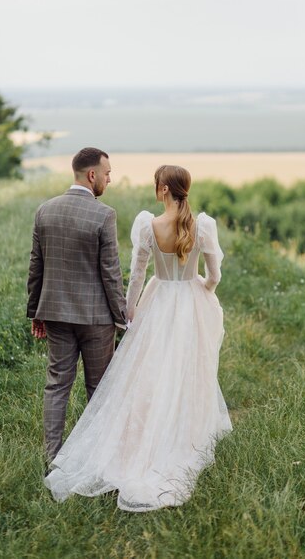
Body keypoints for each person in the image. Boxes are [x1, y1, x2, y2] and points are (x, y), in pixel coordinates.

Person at [44, 164, 232, 511]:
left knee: (146, 373)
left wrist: (129, 313)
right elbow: (215, 275)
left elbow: (136, 275)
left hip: (157, 301)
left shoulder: (148, 225)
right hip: (189, 301)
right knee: (187, 370)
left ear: (162, 190)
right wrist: (203, 290)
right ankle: (181, 433)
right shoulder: (202, 226)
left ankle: (140, 439)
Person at [27, 147, 127, 468]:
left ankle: (52, 457)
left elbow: (36, 267)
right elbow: (110, 273)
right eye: (107, 173)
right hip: (96, 319)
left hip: (55, 312)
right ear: (92, 175)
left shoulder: (45, 210)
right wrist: (121, 318)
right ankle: (97, 458)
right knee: (98, 389)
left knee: (57, 384)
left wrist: (36, 311)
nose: (109, 179)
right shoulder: (104, 214)